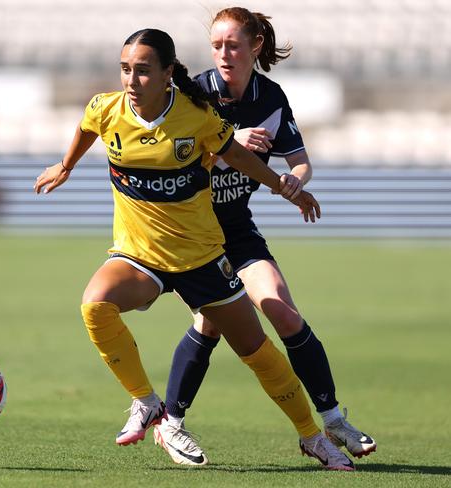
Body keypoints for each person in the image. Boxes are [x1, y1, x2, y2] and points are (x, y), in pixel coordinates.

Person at [35, 28, 355, 471]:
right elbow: (87, 126)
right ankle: (147, 403)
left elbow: (240, 158)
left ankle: (313, 437)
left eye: (144, 71)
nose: (132, 80)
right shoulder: (105, 108)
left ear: (168, 74)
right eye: (126, 69)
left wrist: (284, 186)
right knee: (95, 305)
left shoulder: (196, 117)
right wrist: (66, 165)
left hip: (201, 258)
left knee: (258, 350)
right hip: (139, 256)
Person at [152, 7, 376, 468]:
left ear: (255, 47)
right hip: (194, 236)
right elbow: (174, 165)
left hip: (237, 229)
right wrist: (230, 145)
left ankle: (333, 418)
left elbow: (300, 160)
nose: (223, 54)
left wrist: (295, 180)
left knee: (282, 311)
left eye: (233, 45)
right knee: (212, 323)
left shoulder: (270, 96)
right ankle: (170, 421)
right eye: (216, 45)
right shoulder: (193, 93)